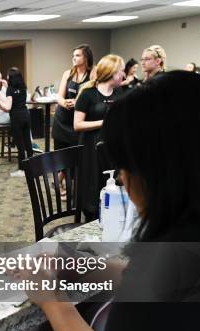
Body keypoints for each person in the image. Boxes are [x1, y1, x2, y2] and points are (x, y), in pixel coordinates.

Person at [13, 71, 200, 331]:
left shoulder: (183, 261)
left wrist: (52, 299)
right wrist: (90, 269)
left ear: (160, 172)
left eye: (125, 166)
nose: (121, 178)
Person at [74, 54, 125, 220]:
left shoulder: (119, 92)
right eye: (121, 71)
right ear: (111, 72)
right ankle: (92, 217)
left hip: (112, 146)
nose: (123, 75)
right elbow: (78, 125)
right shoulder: (87, 94)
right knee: (92, 184)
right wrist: (104, 123)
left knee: (111, 182)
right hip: (91, 147)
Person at [52, 44, 94, 191]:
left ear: (86, 57)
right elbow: (59, 96)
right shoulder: (68, 73)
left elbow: (93, 95)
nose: (74, 58)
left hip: (77, 122)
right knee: (61, 156)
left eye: (78, 55)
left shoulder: (93, 74)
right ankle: (60, 184)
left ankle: (66, 185)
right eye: (73, 55)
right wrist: (64, 102)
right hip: (62, 120)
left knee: (75, 157)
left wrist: (78, 102)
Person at [5, 67, 34, 178]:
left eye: (8, 75)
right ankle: (32, 166)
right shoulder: (23, 87)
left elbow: (8, 107)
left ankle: (22, 169)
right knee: (28, 143)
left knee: (20, 145)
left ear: (11, 77)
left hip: (16, 117)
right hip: (26, 115)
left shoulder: (10, 89)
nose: (6, 77)